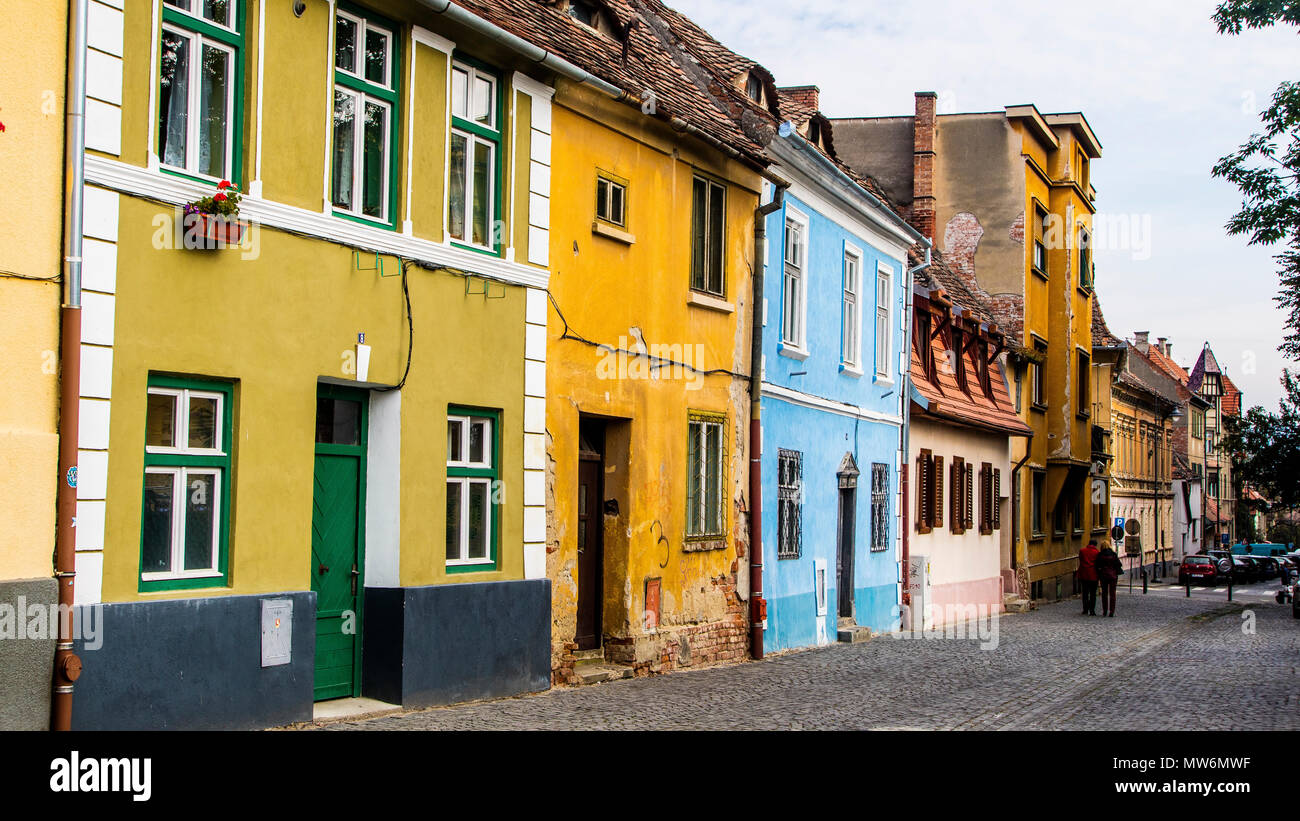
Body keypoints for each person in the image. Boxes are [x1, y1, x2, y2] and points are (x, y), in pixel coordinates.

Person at [1097, 543, 1123, 617]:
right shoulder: (1113, 554)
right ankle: (1111, 611)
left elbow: (1097, 565)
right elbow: (1119, 564)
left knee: (1104, 594)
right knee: (1112, 594)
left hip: (1103, 576)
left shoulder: (1100, 555)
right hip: (1113, 576)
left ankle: (1105, 611)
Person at [1078, 539, 1100, 616]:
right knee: (1093, 593)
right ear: (1095, 545)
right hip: (1093, 575)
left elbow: (1080, 559)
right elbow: (1098, 564)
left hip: (1084, 574)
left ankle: (1085, 609)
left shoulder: (1082, 551)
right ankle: (1092, 610)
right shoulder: (1097, 552)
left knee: (1085, 593)